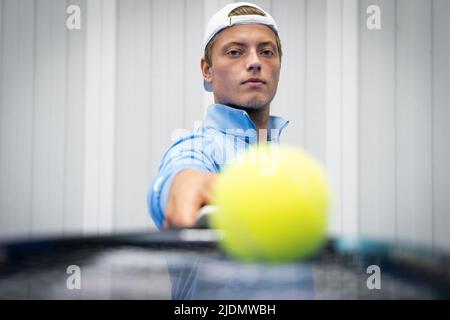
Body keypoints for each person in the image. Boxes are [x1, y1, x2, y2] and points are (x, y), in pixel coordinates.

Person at [147, 2, 289, 230]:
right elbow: (179, 178)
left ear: (279, 67)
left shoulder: (285, 163)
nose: (255, 62)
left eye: (266, 52)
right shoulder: (196, 148)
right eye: (235, 52)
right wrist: (182, 186)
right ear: (207, 70)